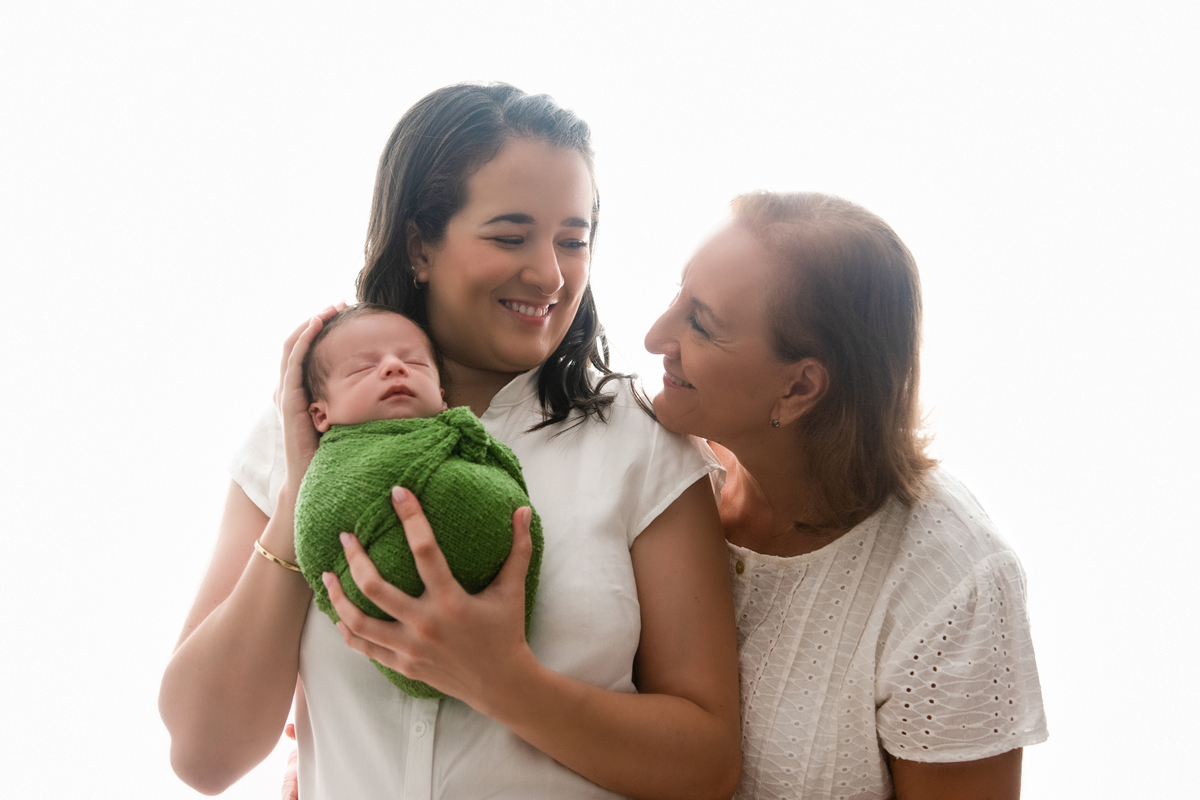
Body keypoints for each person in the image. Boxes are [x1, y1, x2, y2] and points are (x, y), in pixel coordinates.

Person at [159, 83, 742, 800]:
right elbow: (204, 757)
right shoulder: (300, 429)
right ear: (418, 246)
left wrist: (504, 682)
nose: (550, 275)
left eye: (573, 239)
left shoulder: (643, 442)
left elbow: (708, 766)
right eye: (509, 236)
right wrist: (300, 498)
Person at [643, 190, 1048, 800]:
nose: (655, 336)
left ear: (800, 386)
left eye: (700, 322)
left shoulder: (953, 581)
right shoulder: (660, 473)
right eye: (678, 295)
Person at [293, 302, 544, 700]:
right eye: (363, 367)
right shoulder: (327, 465)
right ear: (320, 416)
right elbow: (318, 524)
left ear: (443, 399)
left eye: (415, 363)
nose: (394, 367)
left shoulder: (460, 440)